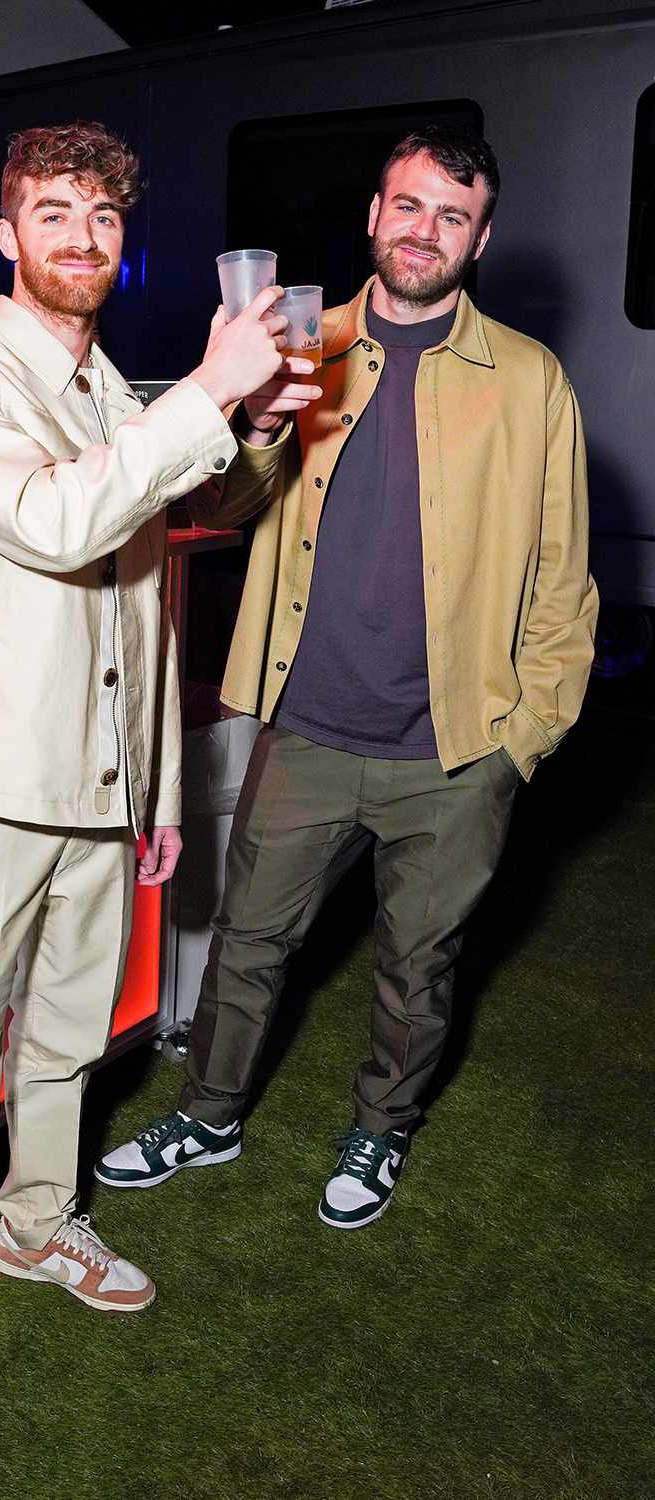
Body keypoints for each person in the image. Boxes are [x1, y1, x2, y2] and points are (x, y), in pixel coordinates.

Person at [0, 119, 316, 1480]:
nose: (82, 238)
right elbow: (65, 522)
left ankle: (38, 1221)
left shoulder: (112, 388)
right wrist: (208, 391)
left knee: (68, 1043)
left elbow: (161, 562)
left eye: (105, 220)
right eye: (53, 212)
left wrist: (251, 432)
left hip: (100, 782)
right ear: (7, 235)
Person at [96, 126, 598, 1234]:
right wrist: (262, 426)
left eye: (451, 216)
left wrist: (523, 740)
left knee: (418, 964)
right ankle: (211, 1112)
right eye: (408, 207)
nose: (425, 231)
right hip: (309, 727)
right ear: (374, 216)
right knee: (246, 941)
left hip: (455, 747)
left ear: (479, 238)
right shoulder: (289, 346)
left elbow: (565, 581)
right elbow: (216, 510)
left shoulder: (528, 379)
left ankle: (381, 1126)